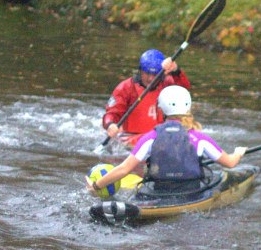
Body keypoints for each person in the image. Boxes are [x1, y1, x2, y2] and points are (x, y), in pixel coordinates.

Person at [88, 86, 245, 196]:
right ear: (188, 108)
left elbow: (124, 169)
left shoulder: (149, 138)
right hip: (192, 192)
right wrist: (238, 153)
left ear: (160, 110)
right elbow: (230, 163)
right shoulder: (200, 138)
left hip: (159, 191)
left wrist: (96, 186)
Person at [101, 48, 192, 145]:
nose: (150, 79)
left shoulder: (168, 84)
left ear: (162, 73)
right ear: (140, 71)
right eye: (147, 73)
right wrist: (110, 125)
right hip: (132, 138)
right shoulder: (125, 88)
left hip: (160, 136)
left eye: (154, 74)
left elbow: (184, 90)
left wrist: (176, 71)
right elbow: (111, 114)